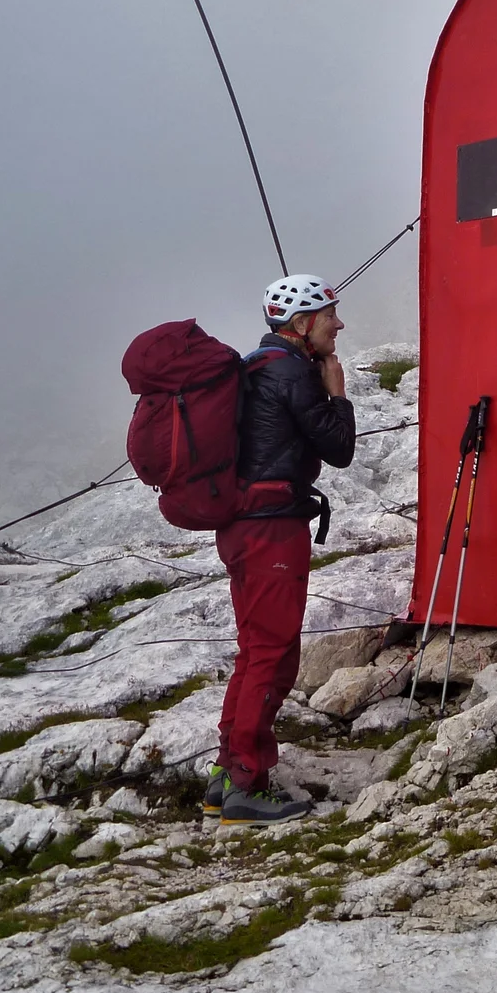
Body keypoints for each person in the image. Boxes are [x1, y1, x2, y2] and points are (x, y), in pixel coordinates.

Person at [205, 274, 356, 826]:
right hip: (272, 529)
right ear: (301, 325)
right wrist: (337, 391)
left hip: (243, 526)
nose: (338, 324)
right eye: (329, 315)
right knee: (272, 652)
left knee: (253, 649)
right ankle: (247, 784)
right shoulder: (294, 373)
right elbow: (339, 450)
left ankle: (227, 776)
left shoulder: (257, 367)